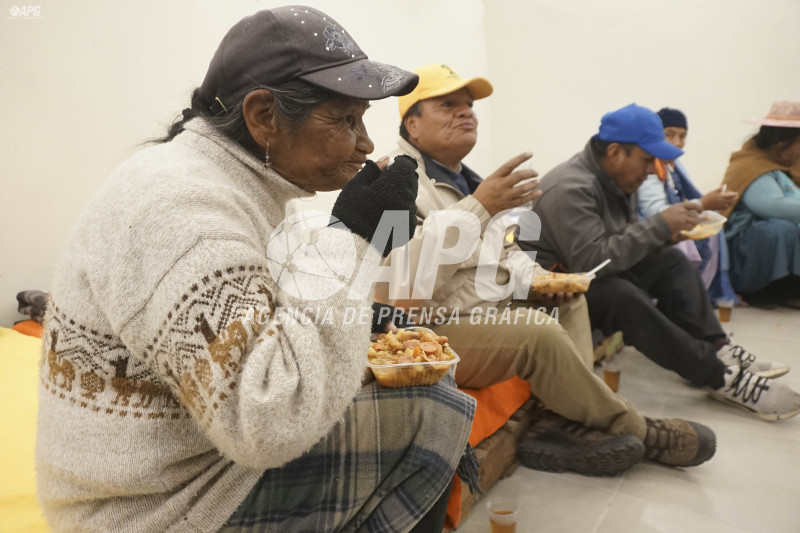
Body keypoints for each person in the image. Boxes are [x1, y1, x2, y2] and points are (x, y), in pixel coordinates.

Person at [36, 8, 477, 532]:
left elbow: (258, 314)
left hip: (187, 467)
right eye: (345, 120)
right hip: (150, 508)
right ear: (264, 116)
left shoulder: (230, 184)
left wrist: (361, 304)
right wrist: (356, 238)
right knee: (432, 409)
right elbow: (269, 420)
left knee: (406, 383)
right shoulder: (179, 206)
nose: (365, 144)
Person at [377, 63, 718, 478]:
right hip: (430, 328)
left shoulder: (468, 179)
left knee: (570, 301)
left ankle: (557, 422)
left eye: (469, 105)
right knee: (537, 332)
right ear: (412, 124)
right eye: (448, 105)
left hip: (478, 305)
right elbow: (404, 291)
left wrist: (536, 281)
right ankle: (638, 428)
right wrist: (478, 209)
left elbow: (503, 254)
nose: (466, 112)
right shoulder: (391, 185)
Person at [519, 103, 800, 422]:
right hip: (546, 295)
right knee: (620, 295)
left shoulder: (619, 180)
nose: (654, 169)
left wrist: (667, 235)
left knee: (669, 261)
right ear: (614, 152)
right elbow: (591, 262)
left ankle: (718, 346)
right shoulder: (570, 187)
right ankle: (718, 376)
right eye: (647, 159)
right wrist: (659, 225)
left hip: (582, 275)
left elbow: (618, 239)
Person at [637, 107, 740, 306]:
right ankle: (675, 297)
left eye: (682, 136)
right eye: (669, 135)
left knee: (712, 229)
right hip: (649, 224)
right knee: (684, 236)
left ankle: (699, 292)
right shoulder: (650, 165)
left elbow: (685, 197)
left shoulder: (672, 163)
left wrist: (708, 205)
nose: (677, 142)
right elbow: (656, 212)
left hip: (671, 215)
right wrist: (701, 205)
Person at [720, 101, 800, 309]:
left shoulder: (786, 165)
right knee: (780, 228)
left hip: (771, 242)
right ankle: (765, 289)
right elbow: (771, 206)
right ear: (781, 141)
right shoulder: (751, 165)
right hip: (746, 249)